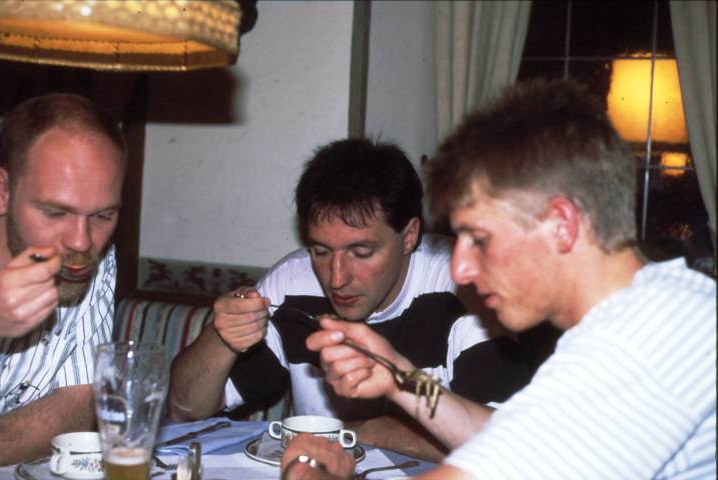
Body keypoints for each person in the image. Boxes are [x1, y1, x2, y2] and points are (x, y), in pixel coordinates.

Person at [288, 78, 717, 479]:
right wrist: (400, 377)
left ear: (561, 225)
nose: (460, 268)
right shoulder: (638, 317)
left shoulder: (650, 338)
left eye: (479, 238)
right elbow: (514, 444)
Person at [169, 138, 543, 461]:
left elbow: (504, 441)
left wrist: (364, 432)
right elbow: (185, 409)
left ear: (409, 235)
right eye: (320, 251)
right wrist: (220, 337)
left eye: (361, 253)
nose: (336, 278)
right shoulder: (292, 282)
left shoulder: (464, 286)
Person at [0, 94, 127, 466]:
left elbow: (77, 406)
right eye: (55, 212)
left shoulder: (94, 255)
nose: (81, 241)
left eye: (103, 215)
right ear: (1, 191)